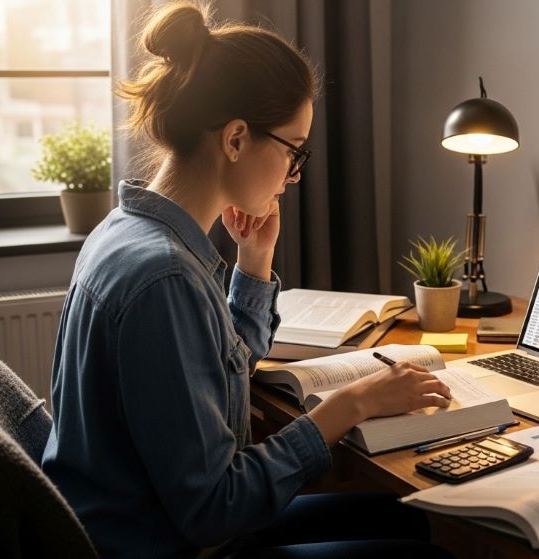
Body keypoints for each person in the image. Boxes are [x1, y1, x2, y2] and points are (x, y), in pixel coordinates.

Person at [41, 3, 452, 558]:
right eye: (294, 151)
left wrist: (254, 262)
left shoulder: (127, 230)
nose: (294, 174)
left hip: (145, 522)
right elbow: (217, 506)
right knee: (423, 549)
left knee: (406, 517)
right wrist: (350, 405)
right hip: (170, 544)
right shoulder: (164, 276)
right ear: (235, 139)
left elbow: (215, 369)